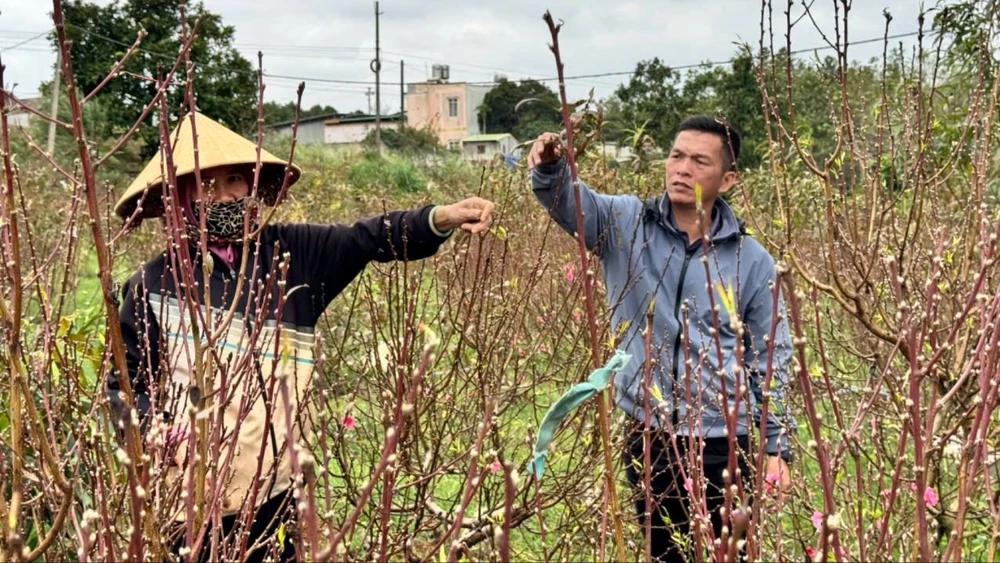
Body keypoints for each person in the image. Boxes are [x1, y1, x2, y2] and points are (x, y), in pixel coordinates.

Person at [105, 112, 494, 562]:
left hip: (275, 488)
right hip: (189, 502)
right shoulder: (151, 285)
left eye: (235, 179)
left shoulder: (293, 256)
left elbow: (366, 239)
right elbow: (124, 388)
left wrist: (440, 218)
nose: (229, 194)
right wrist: (161, 435)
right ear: (180, 198)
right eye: (209, 185)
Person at [528, 116, 795, 562]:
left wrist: (775, 448)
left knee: (727, 553)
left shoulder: (753, 260)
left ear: (728, 179)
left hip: (724, 439)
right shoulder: (625, 223)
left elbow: (771, 358)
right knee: (663, 552)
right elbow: (569, 203)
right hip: (648, 433)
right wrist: (553, 167)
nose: (682, 168)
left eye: (699, 161)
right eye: (676, 155)